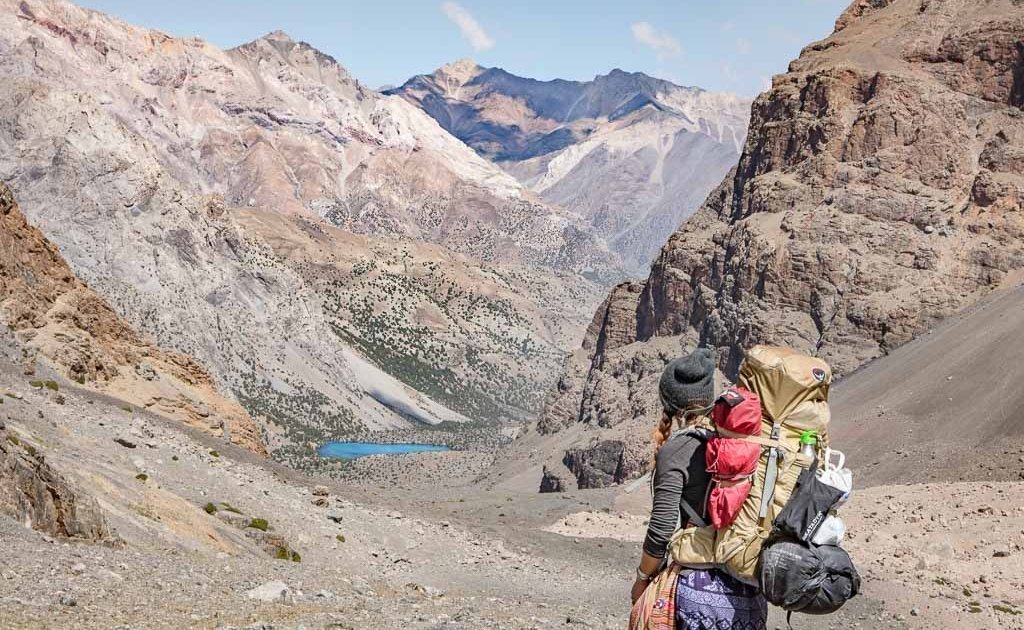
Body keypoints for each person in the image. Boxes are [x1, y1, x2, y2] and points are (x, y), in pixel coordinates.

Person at [630, 347, 768, 630]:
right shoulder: (744, 444)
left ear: (670, 403)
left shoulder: (677, 450)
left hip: (698, 591)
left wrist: (642, 578)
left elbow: (661, 529)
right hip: (750, 596)